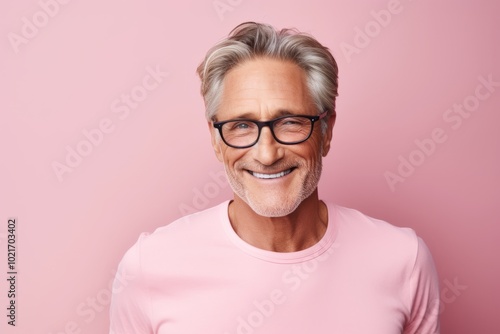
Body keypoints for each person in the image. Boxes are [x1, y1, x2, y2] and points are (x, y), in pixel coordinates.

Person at [109, 22, 440, 334]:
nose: (267, 154)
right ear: (215, 138)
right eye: (241, 125)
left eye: (290, 122)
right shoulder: (149, 266)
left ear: (326, 131)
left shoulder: (403, 260)